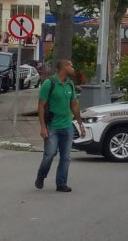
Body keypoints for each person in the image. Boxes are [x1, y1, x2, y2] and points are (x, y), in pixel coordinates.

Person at [35, 60, 84, 192]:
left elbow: (74, 104)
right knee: (49, 154)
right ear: (64, 67)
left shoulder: (70, 84)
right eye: (71, 66)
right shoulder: (49, 84)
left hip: (67, 126)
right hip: (52, 126)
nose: (73, 69)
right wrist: (43, 127)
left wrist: (80, 123)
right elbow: (41, 106)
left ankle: (61, 183)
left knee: (66, 157)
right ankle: (41, 176)